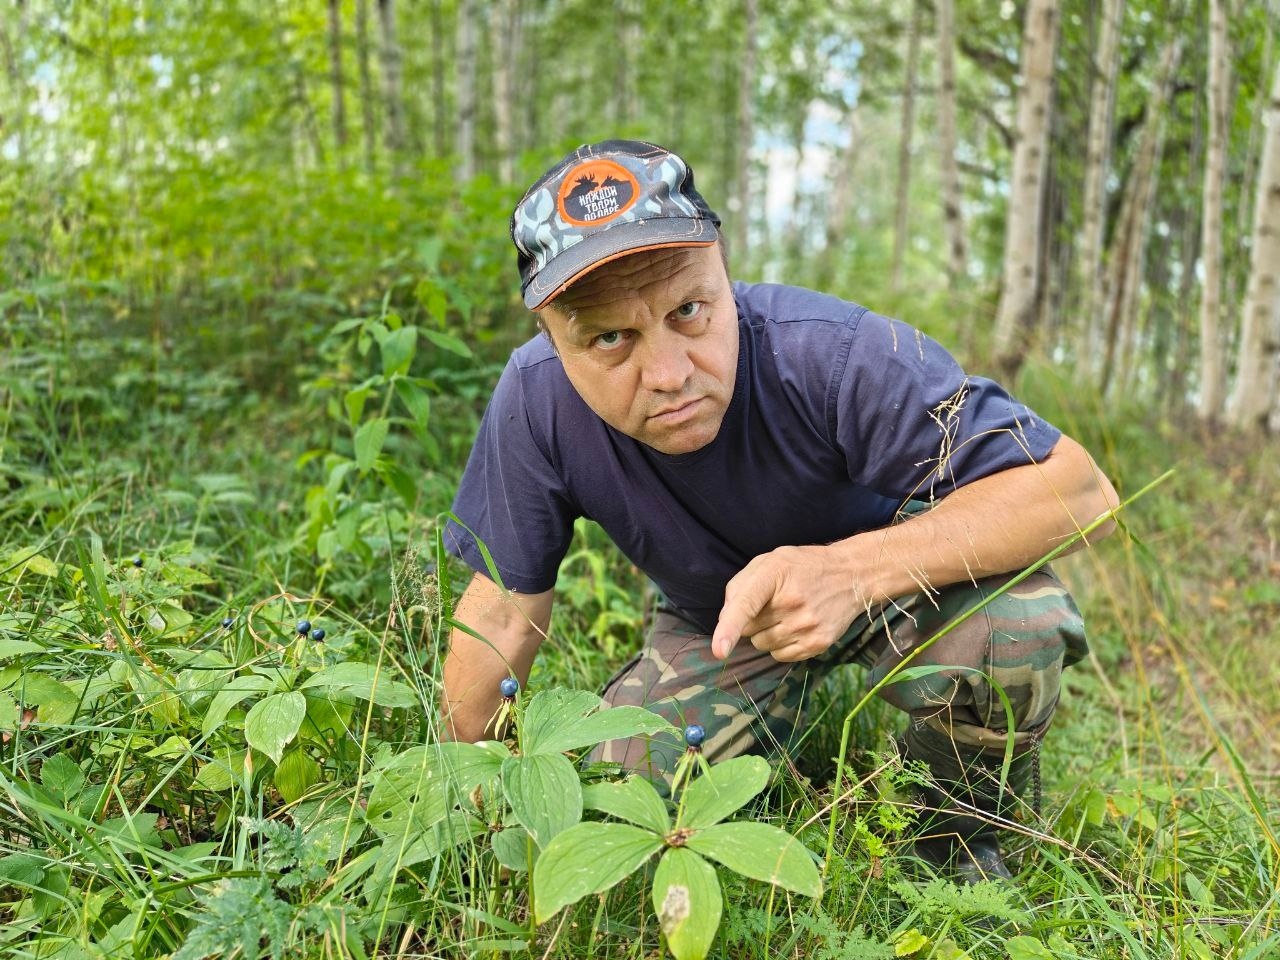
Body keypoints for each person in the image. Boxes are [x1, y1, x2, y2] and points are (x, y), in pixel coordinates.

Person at [440, 139, 1118, 882]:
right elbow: (504, 607)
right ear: (552, 338)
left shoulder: (831, 355)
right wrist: (468, 777)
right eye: (610, 337)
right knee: (618, 802)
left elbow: (1079, 488)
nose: (668, 374)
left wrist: (851, 572)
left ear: (726, 274)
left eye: (689, 310)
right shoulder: (536, 403)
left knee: (1013, 627)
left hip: (902, 582)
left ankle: (949, 840)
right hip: (723, 626)